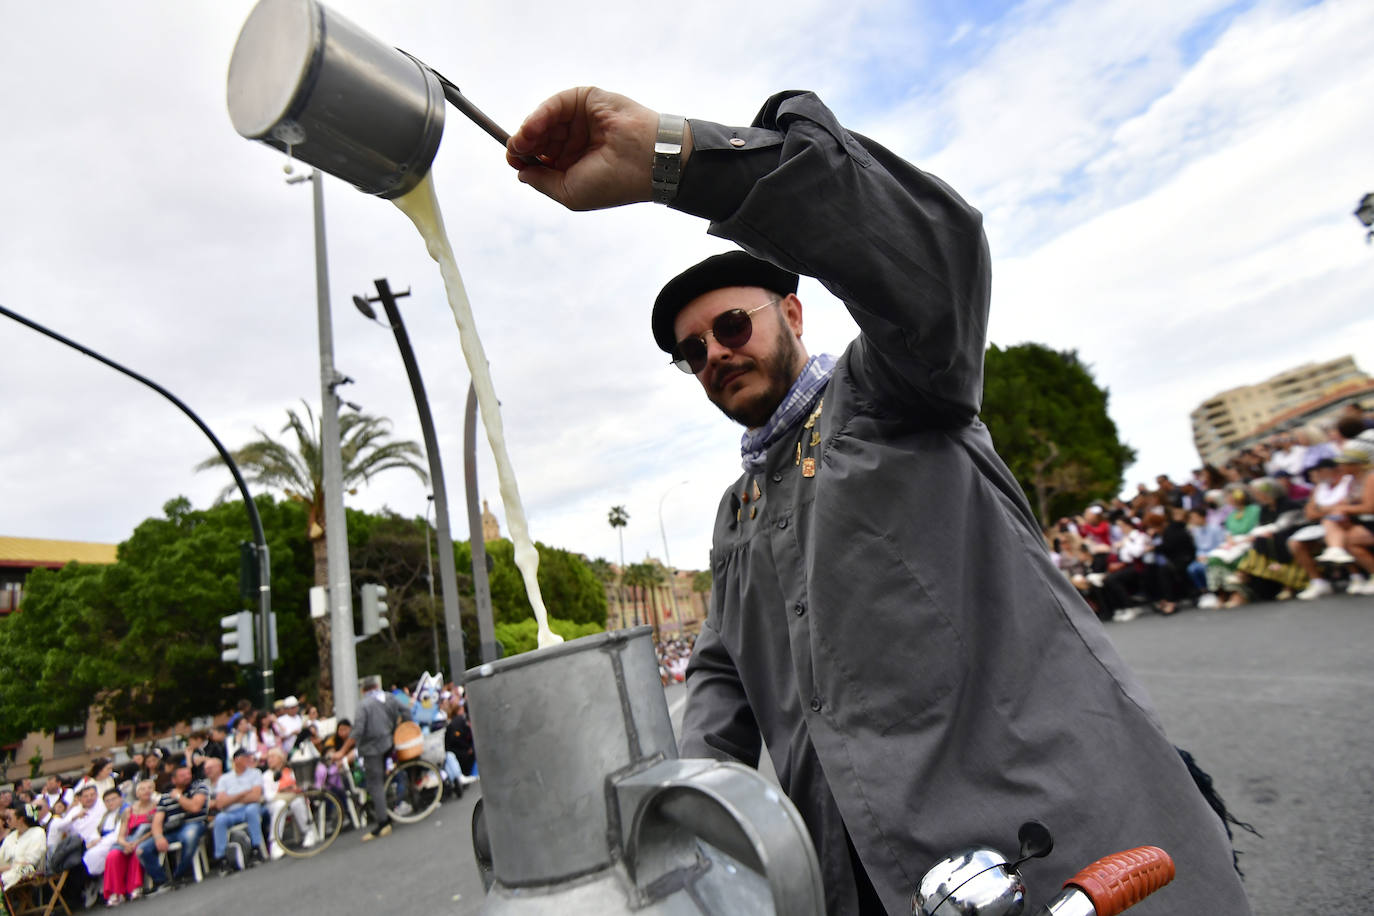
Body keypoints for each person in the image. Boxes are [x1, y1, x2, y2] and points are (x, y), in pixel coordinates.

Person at [506, 87, 1251, 914]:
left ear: (791, 311)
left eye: (732, 328)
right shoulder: (736, 510)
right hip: (858, 880)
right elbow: (720, 682)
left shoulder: (892, 393)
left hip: (1055, 851)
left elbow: (931, 263)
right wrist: (684, 832)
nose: (713, 354)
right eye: (692, 352)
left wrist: (678, 159)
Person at [330, 675, 410, 842]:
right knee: (386, 777)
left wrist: (343, 751)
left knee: (375, 784)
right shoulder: (388, 697)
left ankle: (383, 822)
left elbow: (357, 731)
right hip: (389, 742)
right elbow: (406, 710)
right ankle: (392, 806)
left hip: (372, 749)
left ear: (363, 690)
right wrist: (402, 728)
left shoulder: (363, 705)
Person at [138, 764, 210, 895]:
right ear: (174, 780)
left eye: (188, 774)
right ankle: (162, 881)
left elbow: (195, 807)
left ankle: (179, 875)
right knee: (143, 849)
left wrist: (178, 797)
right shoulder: (165, 798)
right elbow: (157, 821)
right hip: (171, 830)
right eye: (182, 775)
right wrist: (159, 837)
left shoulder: (199, 787)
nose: (187, 777)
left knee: (189, 836)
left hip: (193, 823)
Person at [209, 749, 267, 873]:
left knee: (252, 809)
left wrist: (230, 798)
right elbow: (220, 803)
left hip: (248, 809)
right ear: (236, 760)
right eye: (245, 757)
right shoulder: (224, 779)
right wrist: (242, 794)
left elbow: (255, 797)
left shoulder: (255, 773)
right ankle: (222, 858)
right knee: (219, 819)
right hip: (230, 812)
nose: (249, 760)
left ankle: (256, 849)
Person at [101, 779, 155, 905]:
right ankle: (116, 892)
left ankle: (135, 887)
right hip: (129, 840)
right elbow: (121, 835)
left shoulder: (156, 807)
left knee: (138, 850)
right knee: (113, 855)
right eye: (142, 789)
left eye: (149, 788)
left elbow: (154, 829)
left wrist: (135, 843)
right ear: (137, 793)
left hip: (145, 837)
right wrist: (126, 844)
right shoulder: (129, 811)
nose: (146, 791)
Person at [0, 805, 47, 890]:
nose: (7, 821)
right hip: (7, 869)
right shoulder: (11, 836)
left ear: (21, 819)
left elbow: (31, 861)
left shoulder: (38, 833)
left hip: (27, 870)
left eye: (10, 818)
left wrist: (9, 867)